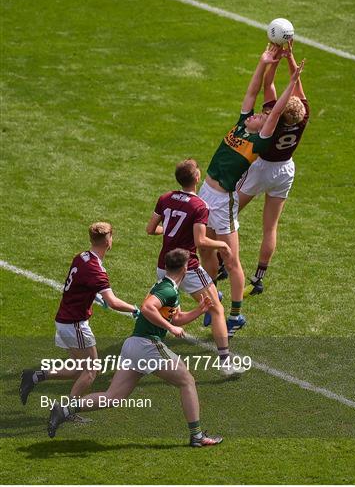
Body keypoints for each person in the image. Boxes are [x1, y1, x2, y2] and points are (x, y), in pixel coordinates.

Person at [47, 248, 223, 448]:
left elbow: (176, 317)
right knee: (187, 380)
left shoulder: (168, 287)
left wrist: (199, 310)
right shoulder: (167, 290)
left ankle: (65, 409)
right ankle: (197, 436)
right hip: (147, 344)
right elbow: (148, 308)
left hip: (134, 345)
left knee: (113, 397)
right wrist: (170, 328)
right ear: (185, 268)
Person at [198, 44, 305, 336]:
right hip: (205, 192)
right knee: (202, 246)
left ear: (266, 126)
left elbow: (276, 110)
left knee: (231, 261)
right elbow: (253, 90)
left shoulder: (261, 140)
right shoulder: (243, 122)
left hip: (223, 200)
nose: (257, 113)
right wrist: (262, 62)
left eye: (261, 116)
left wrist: (293, 80)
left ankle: (234, 316)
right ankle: (212, 300)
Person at [19, 222, 138, 408]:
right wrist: (134, 309)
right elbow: (113, 302)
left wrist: (95, 296)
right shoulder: (97, 270)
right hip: (75, 324)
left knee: (77, 368)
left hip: (63, 320)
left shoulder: (81, 257)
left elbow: (79, 285)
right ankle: (67, 410)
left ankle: (34, 376)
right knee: (92, 370)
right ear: (108, 241)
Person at [146, 159, 241, 375]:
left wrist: (169, 232)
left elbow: (151, 229)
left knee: (169, 313)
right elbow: (200, 241)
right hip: (186, 267)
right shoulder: (199, 206)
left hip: (163, 264)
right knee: (216, 308)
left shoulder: (166, 198)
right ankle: (225, 362)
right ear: (197, 178)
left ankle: (149, 352)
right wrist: (222, 244)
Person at [238, 40, 309, 296]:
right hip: (285, 170)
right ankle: (258, 278)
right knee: (270, 227)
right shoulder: (302, 116)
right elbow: (298, 87)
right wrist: (292, 59)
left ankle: (222, 261)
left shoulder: (272, 117)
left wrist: (277, 57)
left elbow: (267, 84)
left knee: (229, 211)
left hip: (261, 169)